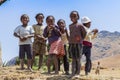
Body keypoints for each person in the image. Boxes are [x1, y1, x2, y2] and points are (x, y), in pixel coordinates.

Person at [68, 11, 86, 77]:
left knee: (78, 59)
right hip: (71, 44)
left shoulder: (80, 25)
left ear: (78, 17)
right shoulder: (70, 26)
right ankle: (72, 73)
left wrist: (81, 39)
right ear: (70, 18)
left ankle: (77, 73)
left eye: (75, 16)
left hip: (78, 44)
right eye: (71, 16)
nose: (73, 17)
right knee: (73, 59)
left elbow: (84, 33)